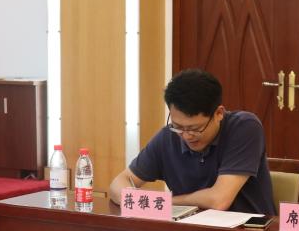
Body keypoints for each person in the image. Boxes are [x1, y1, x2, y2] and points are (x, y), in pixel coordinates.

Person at [109, 69, 276, 215]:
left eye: (195, 129)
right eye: (178, 127)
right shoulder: (168, 137)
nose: (186, 136)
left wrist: (162, 202)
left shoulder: (244, 127)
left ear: (219, 113)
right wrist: (132, 195)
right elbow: (119, 183)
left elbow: (219, 200)